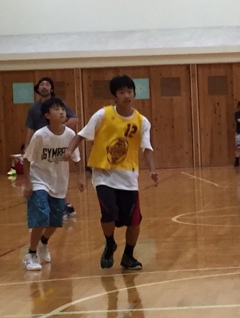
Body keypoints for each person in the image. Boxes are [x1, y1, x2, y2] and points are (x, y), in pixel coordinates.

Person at [64, 76, 159, 271]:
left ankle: (128, 256)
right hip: (103, 175)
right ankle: (110, 243)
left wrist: (152, 169)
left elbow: (147, 148)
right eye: (122, 92)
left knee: (134, 220)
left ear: (134, 94)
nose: (126, 95)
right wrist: (69, 150)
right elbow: (81, 136)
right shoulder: (103, 115)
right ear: (115, 96)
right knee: (109, 212)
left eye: (129, 91)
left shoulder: (142, 121)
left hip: (128, 177)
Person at [22, 98, 83, 271]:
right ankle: (31, 254)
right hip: (39, 179)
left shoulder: (70, 135)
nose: (62, 112)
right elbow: (26, 160)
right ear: (47, 115)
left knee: (56, 221)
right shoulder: (40, 135)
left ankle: (43, 242)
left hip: (59, 182)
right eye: (56, 109)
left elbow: (77, 159)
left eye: (62, 109)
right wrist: (28, 183)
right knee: (42, 215)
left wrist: (80, 177)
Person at [25, 77, 79, 218]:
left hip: (56, 144)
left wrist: (58, 126)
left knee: (57, 175)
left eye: (47, 84)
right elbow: (30, 127)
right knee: (43, 176)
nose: (44, 87)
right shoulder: (34, 108)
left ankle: (63, 205)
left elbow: (74, 119)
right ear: (38, 88)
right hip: (41, 146)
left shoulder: (59, 104)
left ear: (52, 88)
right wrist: (27, 144)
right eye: (41, 84)